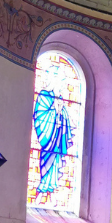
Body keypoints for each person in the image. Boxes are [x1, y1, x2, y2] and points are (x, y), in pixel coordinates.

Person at [32, 68, 74, 199]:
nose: (62, 85)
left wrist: (61, 112)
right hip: (48, 137)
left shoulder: (60, 97)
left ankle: (52, 186)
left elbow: (65, 118)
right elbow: (40, 115)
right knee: (48, 157)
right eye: (61, 82)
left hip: (58, 138)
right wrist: (54, 110)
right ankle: (43, 185)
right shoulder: (44, 95)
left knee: (55, 159)